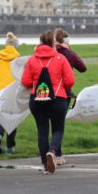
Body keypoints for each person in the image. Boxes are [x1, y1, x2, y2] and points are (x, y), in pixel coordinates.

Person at [21, 30, 75, 174]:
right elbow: (70, 81)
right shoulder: (61, 58)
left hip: (37, 100)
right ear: (53, 43)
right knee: (58, 129)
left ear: (40, 42)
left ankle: (45, 163)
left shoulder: (32, 60)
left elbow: (25, 81)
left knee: (42, 130)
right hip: (58, 99)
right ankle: (52, 151)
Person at [54, 28, 87, 165]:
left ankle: (48, 155)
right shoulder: (68, 54)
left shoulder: (49, 51)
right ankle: (57, 154)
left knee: (47, 125)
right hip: (64, 92)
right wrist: (72, 52)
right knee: (59, 125)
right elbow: (83, 68)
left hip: (45, 92)